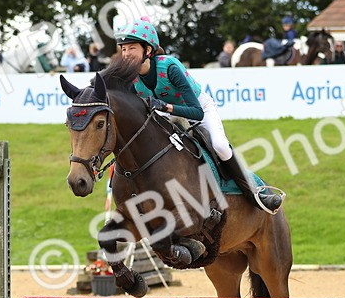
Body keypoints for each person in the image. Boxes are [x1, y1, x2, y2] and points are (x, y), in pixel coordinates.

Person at [113, 18, 282, 213]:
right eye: (123, 49)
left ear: (148, 50)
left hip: (199, 109)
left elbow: (196, 112)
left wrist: (165, 106)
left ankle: (254, 194)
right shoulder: (130, 79)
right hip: (167, 116)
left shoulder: (169, 68)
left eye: (132, 48)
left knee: (220, 145)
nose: (126, 54)